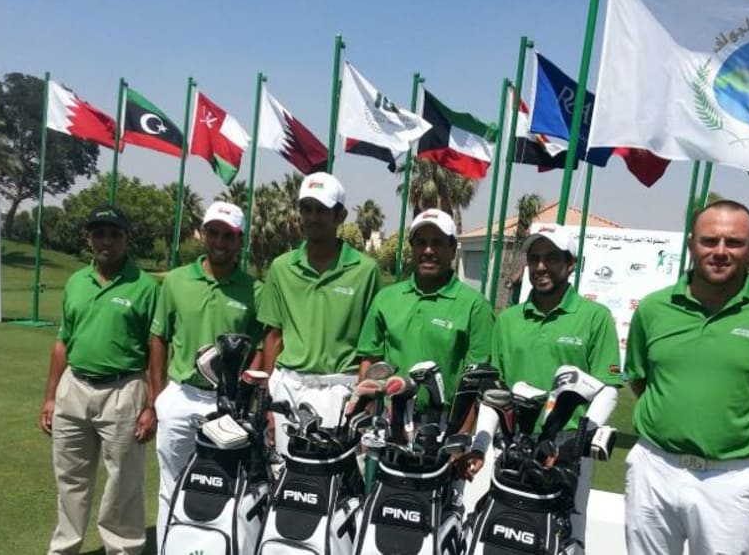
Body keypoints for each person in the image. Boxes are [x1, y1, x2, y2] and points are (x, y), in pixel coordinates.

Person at [624, 201, 749, 555]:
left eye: (734, 242)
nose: (720, 252)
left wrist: (743, 423)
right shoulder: (653, 309)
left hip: (729, 478)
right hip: (653, 469)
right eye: (710, 241)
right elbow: (640, 379)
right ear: (692, 243)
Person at [484, 224, 623, 551]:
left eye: (551, 258)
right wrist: (485, 442)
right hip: (515, 442)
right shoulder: (509, 319)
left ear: (571, 263)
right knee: (508, 532)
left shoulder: (595, 317)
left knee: (566, 534)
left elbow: (609, 388)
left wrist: (578, 442)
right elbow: (497, 388)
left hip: (567, 445)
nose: (541, 267)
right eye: (534, 259)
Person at [39, 205, 159, 555]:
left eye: (114, 233)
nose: (106, 241)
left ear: (126, 238)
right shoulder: (77, 281)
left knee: (123, 482)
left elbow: (156, 349)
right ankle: (64, 548)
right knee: (70, 479)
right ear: (89, 238)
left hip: (123, 390)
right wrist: (50, 397)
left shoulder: (146, 287)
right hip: (73, 388)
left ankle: (122, 550)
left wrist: (152, 404)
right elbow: (63, 343)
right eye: (99, 233)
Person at [149, 201, 263, 554]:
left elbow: (260, 345)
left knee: (226, 484)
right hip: (181, 395)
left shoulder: (253, 289)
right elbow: (158, 338)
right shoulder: (177, 280)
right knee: (171, 483)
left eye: (227, 235)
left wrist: (246, 392)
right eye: (213, 232)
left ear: (239, 239)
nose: (219, 241)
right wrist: (157, 398)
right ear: (203, 233)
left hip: (227, 404)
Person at [258, 171, 380, 455]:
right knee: (285, 476)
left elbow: (371, 345)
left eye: (322, 210)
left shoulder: (365, 270)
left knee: (334, 484)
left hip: (340, 388)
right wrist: (265, 399)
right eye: (307, 209)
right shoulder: (281, 267)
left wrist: (365, 398)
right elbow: (273, 336)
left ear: (340, 216)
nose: (312, 217)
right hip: (288, 385)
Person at [356, 208, 494, 409]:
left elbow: (477, 383)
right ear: (412, 248)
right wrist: (369, 423)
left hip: (443, 423)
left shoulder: (475, 306)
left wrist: (460, 435)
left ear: (453, 248)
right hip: (390, 418)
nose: (428, 251)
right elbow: (369, 364)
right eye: (421, 243)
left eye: (437, 243)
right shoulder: (385, 299)